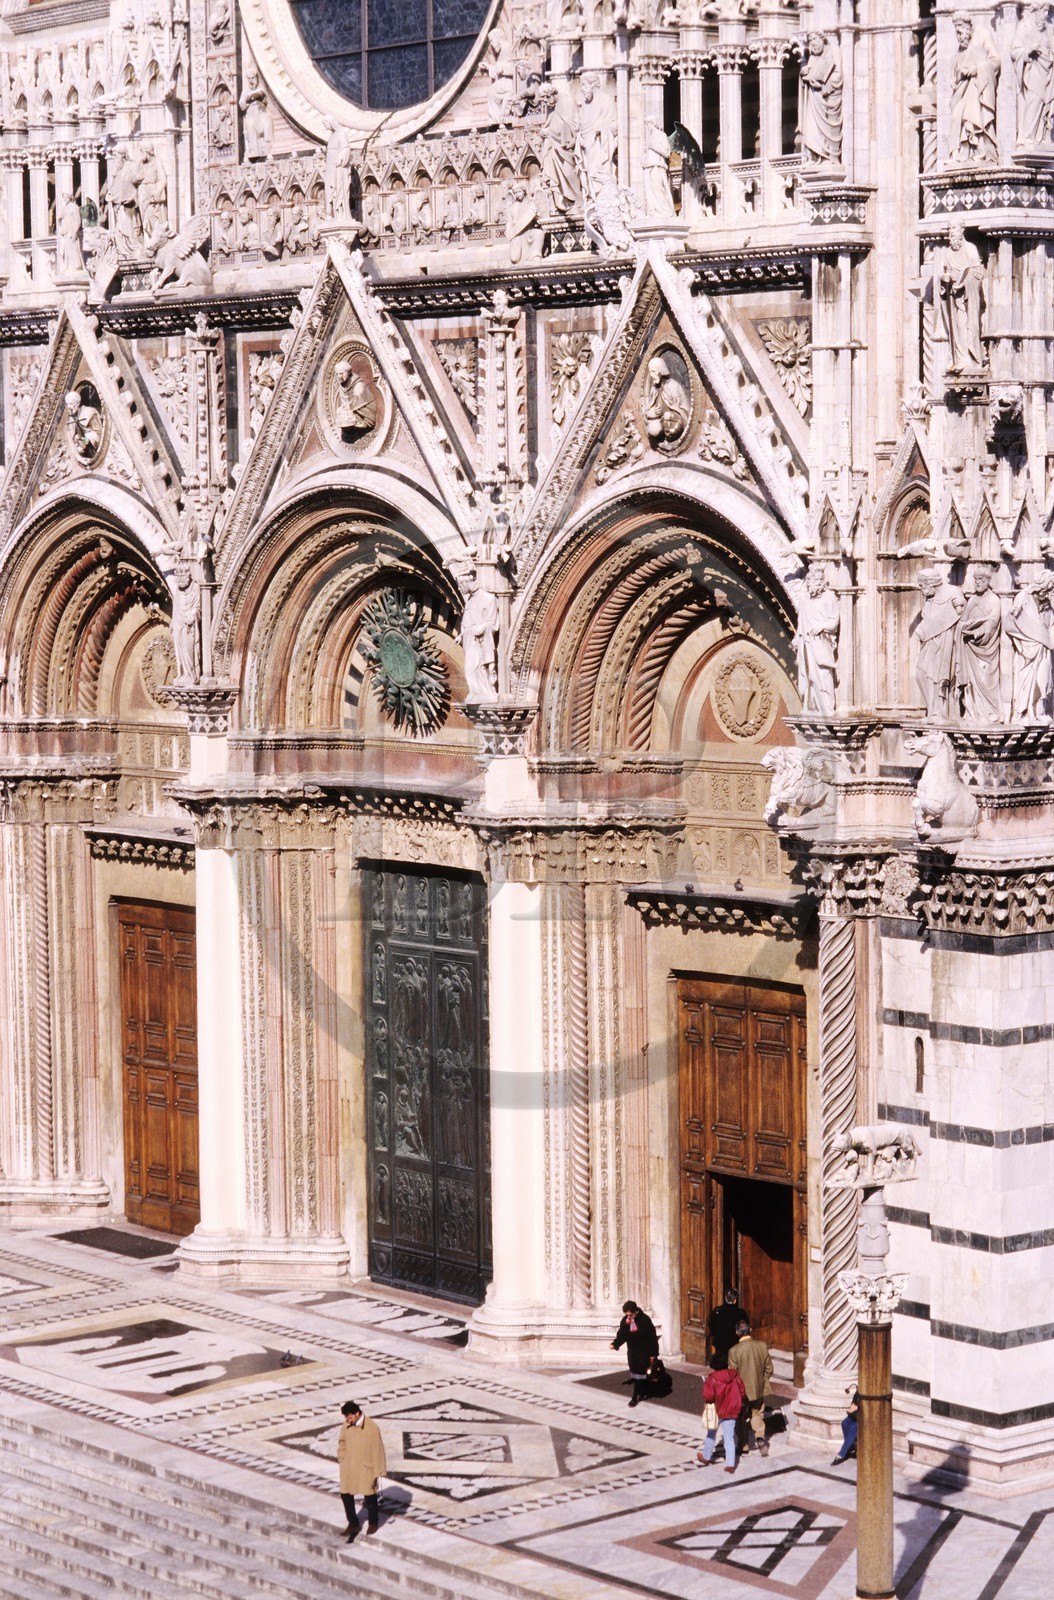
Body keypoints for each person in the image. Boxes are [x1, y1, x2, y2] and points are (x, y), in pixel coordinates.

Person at [337, 1399, 386, 1542]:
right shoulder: (346, 1425)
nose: (348, 1420)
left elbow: (377, 1450)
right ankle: (353, 1523)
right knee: (346, 1494)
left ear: (357, 1413)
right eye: (347, 1417)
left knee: (370, 1496)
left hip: (366, 1467)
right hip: (349, 1466)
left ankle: (373, 1522)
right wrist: (342, 1456)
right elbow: (342, 1442)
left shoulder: (371, 1427)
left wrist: (378, 1471)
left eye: (350, 1417)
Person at [728, 1317, 773, 1457]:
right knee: (757, 1413)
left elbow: (732, 1375)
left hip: (742, 1392)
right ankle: (759, 1436)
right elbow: (769, 1369)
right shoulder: (762, 1346)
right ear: (750, 1330)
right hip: (758, 1389)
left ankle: (744, 1445)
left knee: (741, 1417)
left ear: (737, 1332)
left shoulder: (734, 1351)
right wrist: (761, 1381)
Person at [699, 1361, 748, 1475]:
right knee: (729, 1438)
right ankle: (730, 1464)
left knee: (711, 1434)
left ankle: (706, 1456)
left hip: (717, 1411)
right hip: (732, 1410)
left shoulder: (712, 1379)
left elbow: (708, 1396)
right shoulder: (735, 1377)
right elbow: (742, 1392)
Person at [611, 1298, 659, 1408]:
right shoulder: (626, 1320)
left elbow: (652, 1337)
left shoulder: (645, 1320)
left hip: (644, 1351)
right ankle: (643, 1392)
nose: (628, 1317)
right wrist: (615, 1344)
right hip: (632, 1351)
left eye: (630, 1315)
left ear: (635, 1312)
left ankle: (635, 1396)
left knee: (639, 1373)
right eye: (627, 1315)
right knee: (636, 1372)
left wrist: (653, 1353)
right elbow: (622, 1334)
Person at [708, 1287, 748, 1371]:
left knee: (721, 1372)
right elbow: (745, 1331)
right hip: (735, 1347)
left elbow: (711, 1327)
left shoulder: (717, 1311)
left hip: (720, 1348)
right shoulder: (741, 1313)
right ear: (735, 1300)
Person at [831, 1389, 859, 1465]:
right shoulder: (860, 1389)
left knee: (854, 1427)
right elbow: (855, 1398)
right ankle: (851, 1446)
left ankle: (841, 1454)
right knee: (845, 1423)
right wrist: (854, 1404)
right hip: (856, 1414)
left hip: (864, 1417)